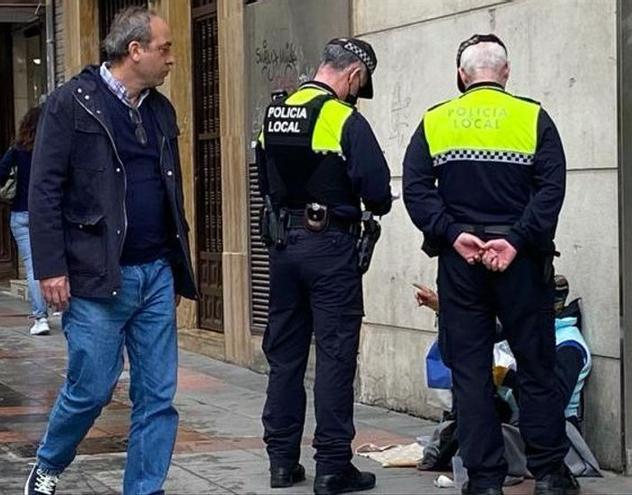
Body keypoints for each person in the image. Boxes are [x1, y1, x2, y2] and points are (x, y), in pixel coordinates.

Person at [24, 7, 196, 495]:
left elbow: (171, 190)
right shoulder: (69, 103)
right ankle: (49, 463)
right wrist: (50, 267)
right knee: (91, 390)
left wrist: (176, 260)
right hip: (95, 275)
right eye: (164, 48)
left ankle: (145, 489)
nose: (172, 59)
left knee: (157, 396)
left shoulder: (161, 110)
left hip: (156, 271)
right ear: (134, 50)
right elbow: (44, 190)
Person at [402, 33, 574, 495]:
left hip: (462, 264)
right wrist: (516, 240)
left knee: (471, 371)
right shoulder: (533, 117)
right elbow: (551, 189)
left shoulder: (436, 120)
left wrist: (452, 233)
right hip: (521, 262)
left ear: (462, 75)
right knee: (536, 366)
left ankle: (484, 481)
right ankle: (551, 475)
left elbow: (415, 188)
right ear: (506, 72)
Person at [256, 38, 393, 495]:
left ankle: (281, 462)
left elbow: (264, 179)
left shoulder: (274, 114)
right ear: (354, 75)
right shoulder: (342, 119)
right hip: (330, 246)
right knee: (334, 355)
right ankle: (333, 466)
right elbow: (377, 192)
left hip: (283, 246)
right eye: (360, 84)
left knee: (285, 356)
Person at [415, 276, 600, 478]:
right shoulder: (534, 331)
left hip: (557, 433)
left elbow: (552, 403)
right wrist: (443, 309)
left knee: (485, 437)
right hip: (522, 422)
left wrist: (507, 377)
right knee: (473, 421)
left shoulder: (568, 346)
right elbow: (476, 334)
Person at [0, 106, 51, 335]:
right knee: (59, 261)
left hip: (21, 214)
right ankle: (63, 307)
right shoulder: (51, 149)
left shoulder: (18, 149)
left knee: (33, 267)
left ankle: (40, 318)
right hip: (47, 214)